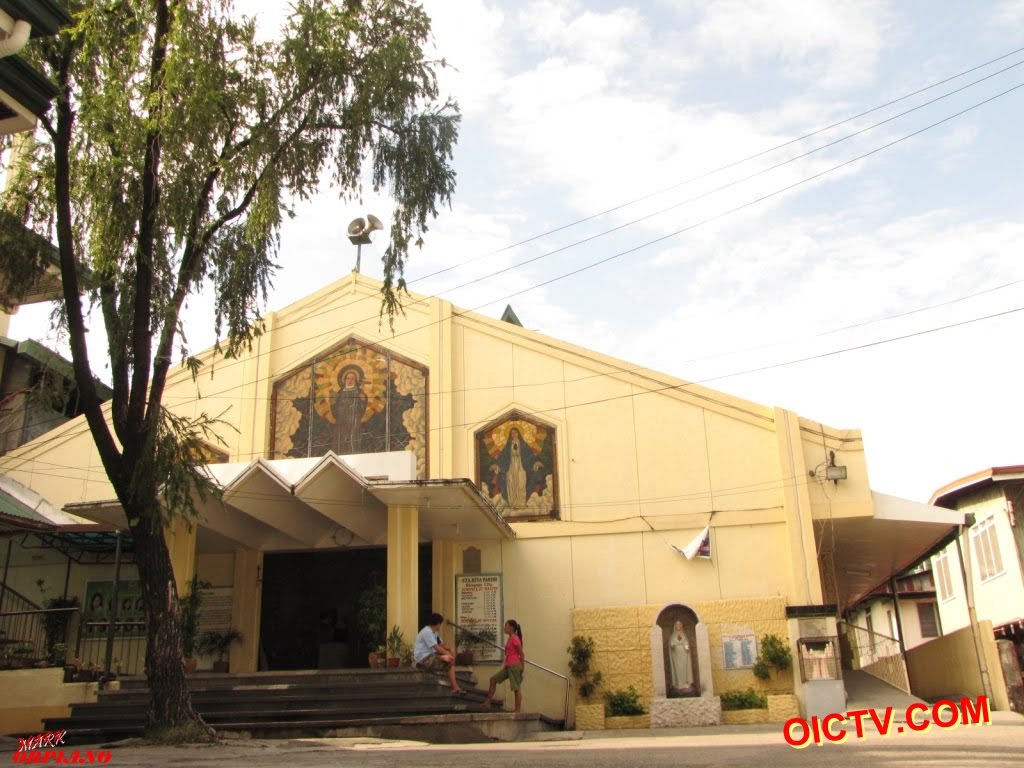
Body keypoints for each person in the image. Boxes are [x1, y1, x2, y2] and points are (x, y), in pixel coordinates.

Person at [490, 428, 544, 510]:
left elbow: (530, 456)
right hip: (511, 467)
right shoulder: (508, 445)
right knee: (511, 484)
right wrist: (497, 465)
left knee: (521, 484)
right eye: (512, 433)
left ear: (518, 433)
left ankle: (521, 504)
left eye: (515, 432)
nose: (514, 434)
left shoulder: (523, 445)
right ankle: (512, 504)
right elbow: (503, 457)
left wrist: (535, 463)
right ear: (510, 435)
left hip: (521, 466)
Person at [414, 612, 465, 694]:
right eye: (440, 624)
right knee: (448, 659)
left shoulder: (434, 632)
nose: (440, 626)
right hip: (423, 659)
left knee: (449, 659)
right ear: (438, 623)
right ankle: (454, 687)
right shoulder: (426, 632)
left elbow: (441, 644)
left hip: (432, 656)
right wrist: (447, 654)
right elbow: (436, 647)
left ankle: (455, 687)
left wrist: (450, 649)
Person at [481, 619, 525, 713]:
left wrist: (522, 667)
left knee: (516, 688)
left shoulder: (515, 638)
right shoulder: (510, 638)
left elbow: (521, 654)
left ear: (511, 628)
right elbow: (509, 653)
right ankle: (487, 702)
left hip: (514, 666)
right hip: (508, 666)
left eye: (506, 626)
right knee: (493, 680)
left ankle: (517, 710)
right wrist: (506, 665)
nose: (504, 627)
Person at [333, 365, 368, 455]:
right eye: (348, 378)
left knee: (353, 439)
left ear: (355, 380)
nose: (350, 380)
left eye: (352, 378)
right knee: (341, 439)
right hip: (342, 421)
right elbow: (335, 408)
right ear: (344, 380)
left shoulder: (358, 392)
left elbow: (362, 408)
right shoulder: (340, 393)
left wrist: (363, 400)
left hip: (354, 420)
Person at [669, 620, 693, 691]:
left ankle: (685, 682)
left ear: (681, 626)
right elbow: (671, 643)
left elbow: (686, 642)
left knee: (684, 668)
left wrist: (686, 645)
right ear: (675, 626)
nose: (678, 626)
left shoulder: (683, 634)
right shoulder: (673, 635)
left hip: (684, 654)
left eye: (679, 624)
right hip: (676, 654)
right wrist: (672, 645)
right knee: (678, 668)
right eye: (677, 624)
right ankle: (679, 683)